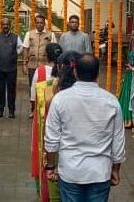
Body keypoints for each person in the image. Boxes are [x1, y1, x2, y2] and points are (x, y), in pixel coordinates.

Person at [44, 54, 125, 202]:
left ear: (75, 72)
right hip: (100, 172)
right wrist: (115, 169)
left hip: (70, 171)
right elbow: (118, 140)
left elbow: (52, 138)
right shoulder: (111, 101)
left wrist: (50, 166)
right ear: (98, 73)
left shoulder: (60, 99)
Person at [34, 51, 81, 202]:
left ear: (59, 67)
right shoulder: (95, 95)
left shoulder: (48, 91)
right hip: (85, 159)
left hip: (58, 155)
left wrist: (50, 164)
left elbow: (47, 130)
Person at [0, 17, 22, 118]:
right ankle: (0, 110)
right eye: (3, 24)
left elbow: (21, 47)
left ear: (10, 25)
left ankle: (11, 110)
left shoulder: (15, 37)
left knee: (11, 90)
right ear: (1, 25)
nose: (5, 26)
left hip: (12, 68)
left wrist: (15, 54)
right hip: (0, 67)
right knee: (0, 89)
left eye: (7, 24)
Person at [23, 14, 56, 119]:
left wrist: (54, 65)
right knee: (33, 88)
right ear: (35, 23)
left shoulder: (51, 35)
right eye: (37, 22)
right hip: (32, 65)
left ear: (44, 23)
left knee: (47, 87)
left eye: (41, 22)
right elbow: (25, 49)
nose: (39, 24)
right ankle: (33, 109)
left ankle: (47, 109)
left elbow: (54, 49)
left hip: (46, 66)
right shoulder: (29, 34)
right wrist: (24, 64)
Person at [117, 32, 134, 128]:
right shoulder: (132, 47)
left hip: (132, 73)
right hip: (129, 73)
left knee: (130, 94)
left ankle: (129, 118)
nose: (132, 36)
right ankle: (127, 118)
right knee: (128, 93)